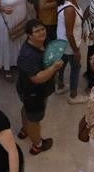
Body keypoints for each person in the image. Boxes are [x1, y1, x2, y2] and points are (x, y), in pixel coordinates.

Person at [16, 21, 65, 155]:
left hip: (30, 93)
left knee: (26, 109)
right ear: (29, 36)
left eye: (42, 29)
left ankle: (25, 129)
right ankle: (37, 145)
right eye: (37, 31)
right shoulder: (27, 55)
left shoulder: (44, 42)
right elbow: (37, 78)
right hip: (33, 93)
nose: (41, 32)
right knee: (34, 119)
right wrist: (54, 67)